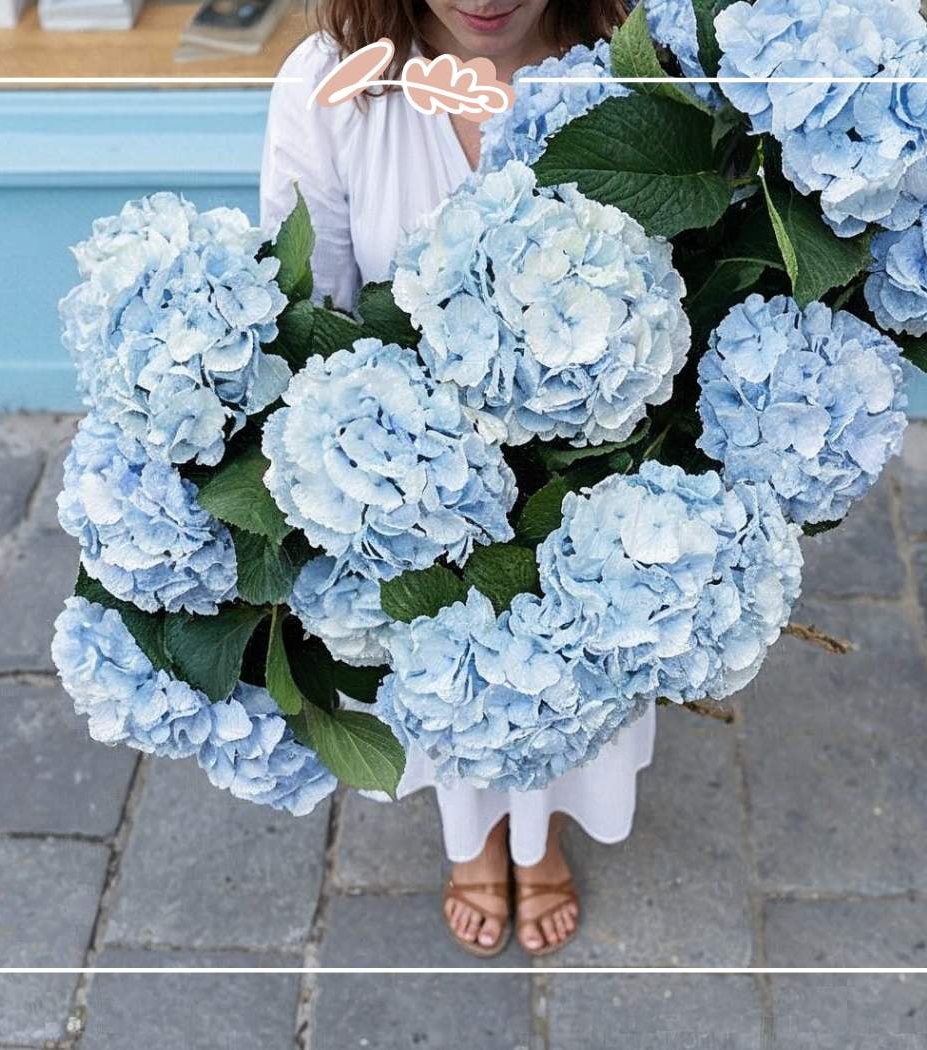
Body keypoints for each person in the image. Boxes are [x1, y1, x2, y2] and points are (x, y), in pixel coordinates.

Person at [260, 0, 655, 958]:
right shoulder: (334, 81)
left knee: (579, 681)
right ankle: (476, 837)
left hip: (592, 486)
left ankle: (544, 829)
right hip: (417, 491)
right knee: (451, 680)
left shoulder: (634, 61)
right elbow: (309, 302)